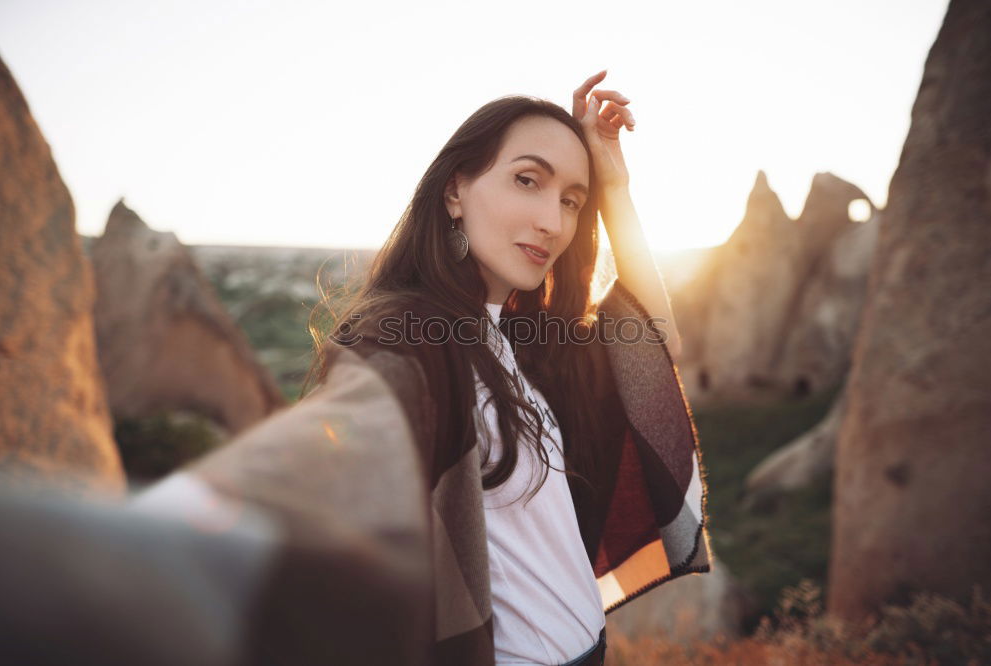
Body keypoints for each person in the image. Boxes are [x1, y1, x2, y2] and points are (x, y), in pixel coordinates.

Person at [300, 69, 713, 665]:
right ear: (455, 191)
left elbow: (656, 340)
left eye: (572, 201)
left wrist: (614, 186)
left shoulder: (519, 339)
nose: (554, 221)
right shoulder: (406, 339)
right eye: (528, 181)